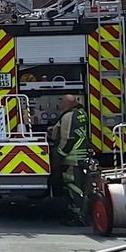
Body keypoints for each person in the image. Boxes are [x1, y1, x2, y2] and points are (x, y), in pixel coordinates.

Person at [51, 94, 90, 226]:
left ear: (67, 104)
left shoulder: (68, 117)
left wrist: (59, 155)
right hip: (82, 155)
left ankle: (79, 216)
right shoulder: (82, 113)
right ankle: (80, 213)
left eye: (62, 102)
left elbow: (68, 139)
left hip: (71, 159)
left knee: (73, 186)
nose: (60, 105)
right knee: (81, 185)